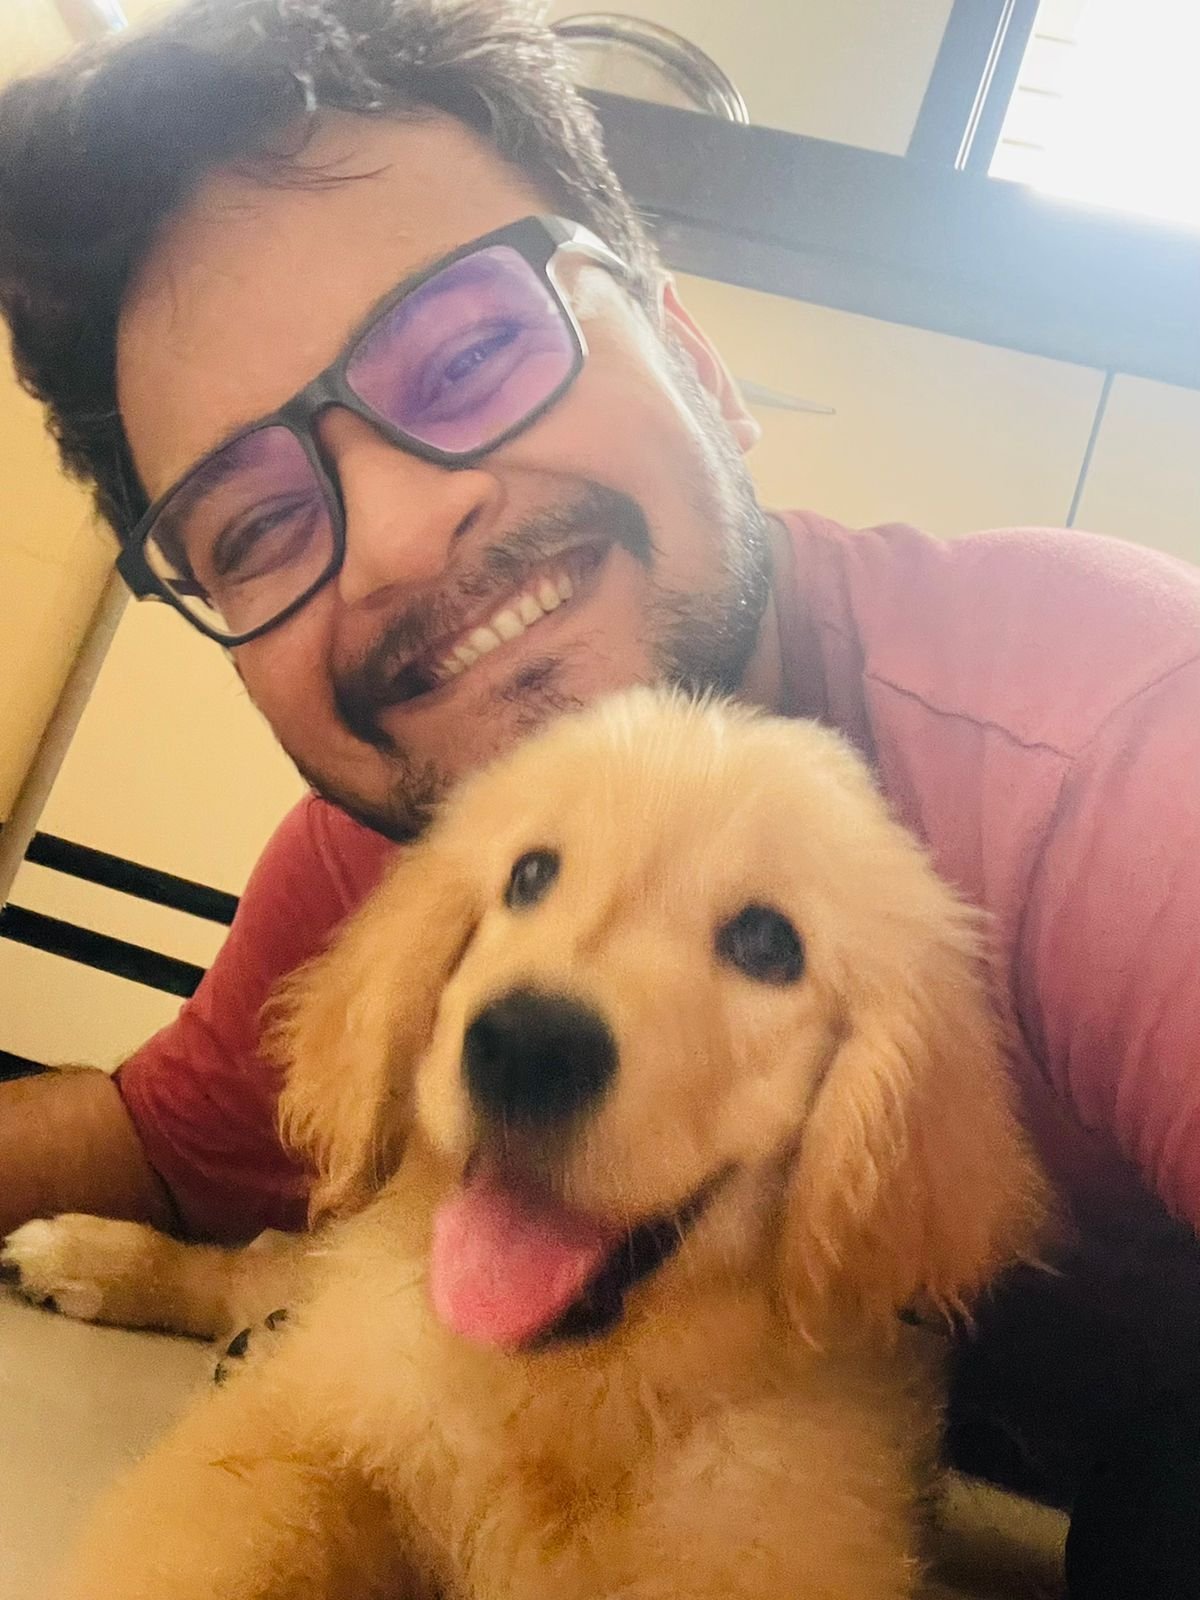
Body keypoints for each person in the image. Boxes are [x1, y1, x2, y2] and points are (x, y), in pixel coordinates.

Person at [0, 2, 1197, 1592]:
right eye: (259, 524)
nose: (402, 537)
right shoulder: (406, 839)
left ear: (696, 359)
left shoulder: (1125, 747)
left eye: (468, 355)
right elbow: (155, 1141)